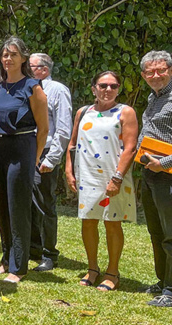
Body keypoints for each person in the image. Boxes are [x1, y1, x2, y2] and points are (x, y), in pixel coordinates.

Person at [65, 71, 136, 292]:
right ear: (93, 88)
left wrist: (116, 178)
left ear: (118, 89)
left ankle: (112, 272)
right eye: (103, 85)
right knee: (88, 221)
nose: (108, 90)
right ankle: (93, 268)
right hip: (88, 176)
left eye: (113, 86)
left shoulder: (125, 112)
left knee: (112, 222)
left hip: (113, 176)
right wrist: (68, 170)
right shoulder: (83, 112)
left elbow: (130, 148)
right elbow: (72, 143)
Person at [0, 36, 49, 283]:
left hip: (22, 147)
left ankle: (19, 266)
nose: (7, 58)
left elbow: (43, 129)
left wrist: (34, 158)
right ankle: (6, 260)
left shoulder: (33, 87)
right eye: (4, 54)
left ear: (23, 58)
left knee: (18, 208)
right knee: (2, 206)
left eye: (13, 54)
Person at [29, 53, 72, 272]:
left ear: (43, 69)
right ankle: (33, 248)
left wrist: (52, 158)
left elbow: (63, 128)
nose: (27, 69)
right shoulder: (26, 89)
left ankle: (49, 254)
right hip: (26, 151)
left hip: (44, 152)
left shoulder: (56, 90)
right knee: (28, 202)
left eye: (30, 66)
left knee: (45, 204)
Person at [136, 50, 172, 306]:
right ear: (143, 75)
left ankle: (171, 290)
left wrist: (165, 163)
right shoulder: (153, 97)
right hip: (149, 174)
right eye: (150, 71)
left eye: (161, 70)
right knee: (156, 231)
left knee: (171, 233)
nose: (155, 75)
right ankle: (163, 281)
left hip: (168, 174)